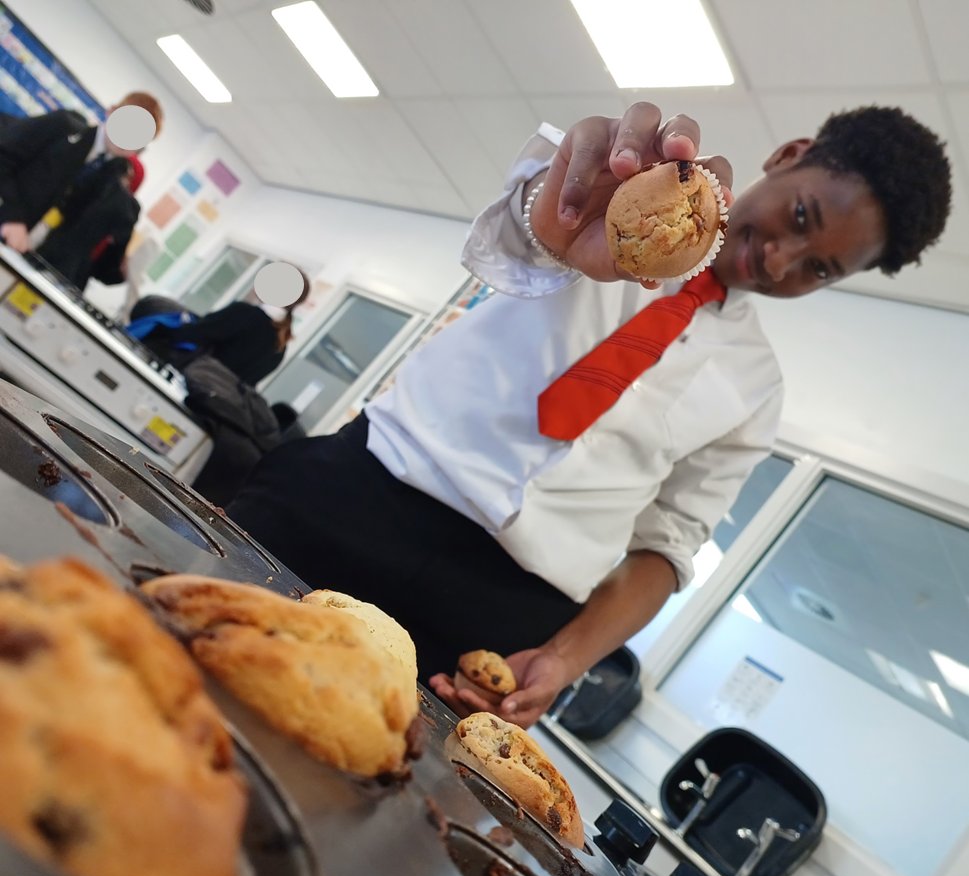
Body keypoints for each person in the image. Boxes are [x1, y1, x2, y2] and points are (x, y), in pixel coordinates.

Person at [226, 102, 952, 729]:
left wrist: (562, 658)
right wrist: (564, 206)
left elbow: (666, 545)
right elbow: (523, 239)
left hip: (493, 614)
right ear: (789, 157)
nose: (779, 260)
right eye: (800, 216)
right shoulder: (623, 206)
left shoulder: (757, 391)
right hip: (356, 497)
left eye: (818, 268)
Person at [0, 91, 162, 254]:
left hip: (25, 257)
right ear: (111, 112)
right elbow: (4, 156)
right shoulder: (62, 127)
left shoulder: (109, 183)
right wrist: (11, 216)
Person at [131, 272, 311, 386]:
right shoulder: (281, 346)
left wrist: (165, 324)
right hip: (204, 407)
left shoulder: (245, 313)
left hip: (179, 385)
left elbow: (189, 335)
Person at [35, 153, 144, 290]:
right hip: (72, 273)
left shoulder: (89, 180)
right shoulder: (125, 212)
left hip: (47, 246)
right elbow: (108, 271)